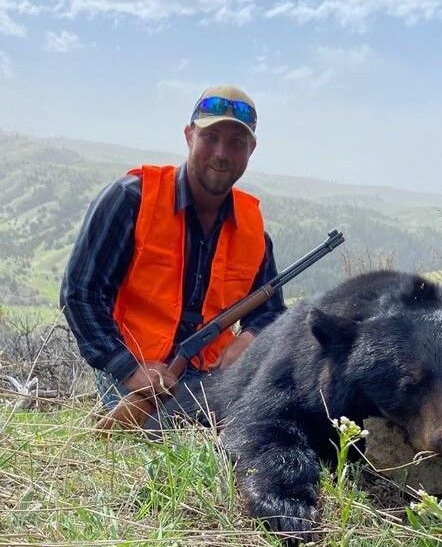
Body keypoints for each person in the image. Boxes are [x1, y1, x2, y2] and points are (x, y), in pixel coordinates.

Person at [60, 84, 286, 429]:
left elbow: (270, 310)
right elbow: (81, 293)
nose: (221, 153)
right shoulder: (131, 200)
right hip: (134, 376)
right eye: (211, 137)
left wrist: (249, 340)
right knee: (198, 437)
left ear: (251, 149)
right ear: (188, 136)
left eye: (236, 142)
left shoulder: (253, 229)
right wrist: (128, 369)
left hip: (211, 377)